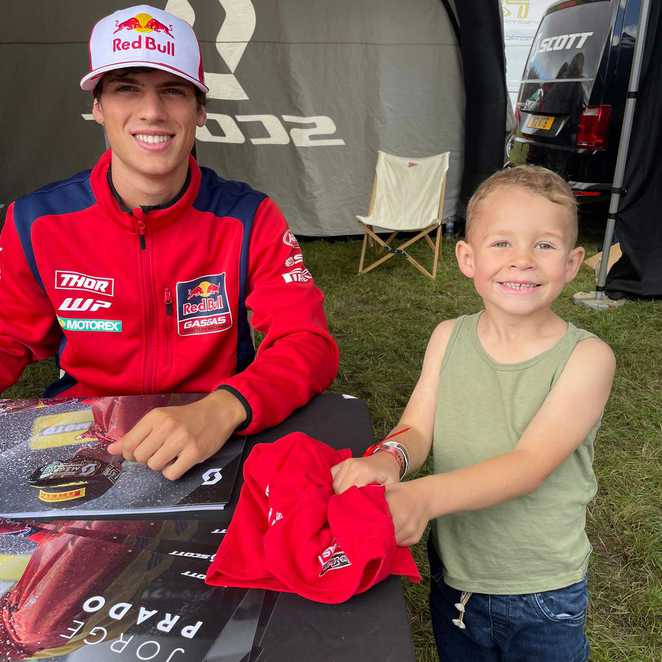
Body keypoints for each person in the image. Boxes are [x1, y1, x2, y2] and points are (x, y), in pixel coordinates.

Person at [0, 5, 338, 480]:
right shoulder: (37, 220)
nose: (152, 112)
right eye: (126, 89)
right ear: (97, 107)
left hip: (210, 433)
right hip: (87, 434)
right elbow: (8, 337)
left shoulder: (248, 216)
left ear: (200, 110)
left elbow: (307, 342)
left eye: (173, 91)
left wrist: (225, 407)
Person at [332, 165, 615, 661]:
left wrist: (420, 498)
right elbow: (417, 428)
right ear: (467, 257)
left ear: (573, 263)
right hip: (456, 576)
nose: (522, 260)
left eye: (544, 245)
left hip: (541, 588)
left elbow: (528, 465)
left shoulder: (587, 358)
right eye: (501, 243)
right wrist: (388, 460)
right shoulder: (448, 337)